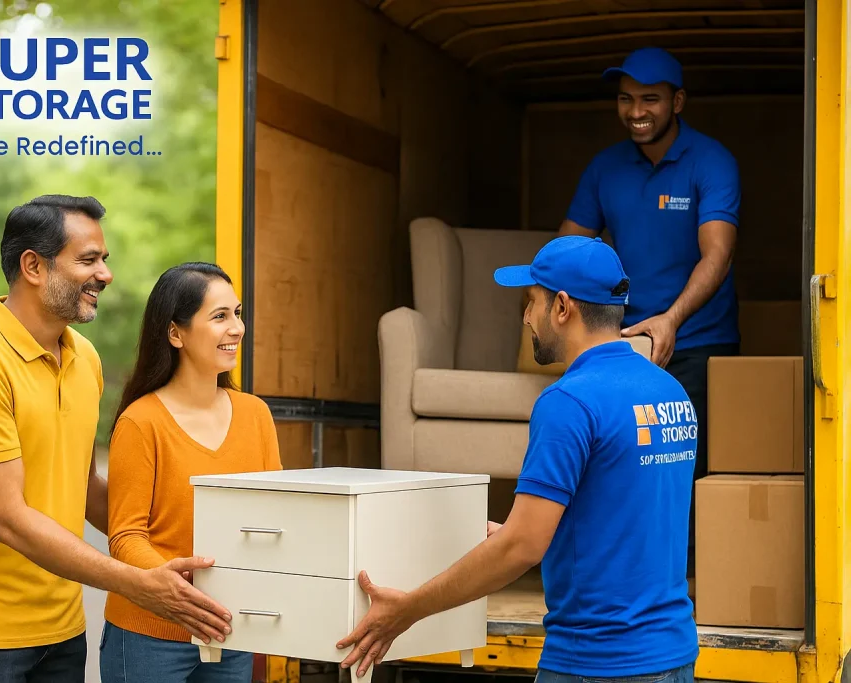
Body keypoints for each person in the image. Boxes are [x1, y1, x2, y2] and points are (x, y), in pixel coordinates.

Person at [336, 236, 699, 682]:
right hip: (674, 655)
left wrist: (407, 610)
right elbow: (625, 510)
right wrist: (530, 528)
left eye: (531, 301)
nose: (526, 316)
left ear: (562, 308)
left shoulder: (569, 401)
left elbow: (521, 548)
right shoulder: (670, 392)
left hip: (598, 664)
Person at [0, 196, 232, 683]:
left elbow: (82, 484)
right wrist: (138, 583)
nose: (105, 274)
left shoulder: (84, 358)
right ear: (33, 266)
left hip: (61, 630)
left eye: (104, 260)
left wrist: (168, 564)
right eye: (88, 260)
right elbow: (7, 519)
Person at [559, 47, 741, 574]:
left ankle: (678, 593)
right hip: (621, 345)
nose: (636, 110)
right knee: (618, 463)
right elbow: (567, 249)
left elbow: (718, 254)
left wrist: (672, 319)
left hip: (700, 341)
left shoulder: (711, 162)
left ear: (677, 101)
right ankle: (618, 577)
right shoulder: (605, 168)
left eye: (650, 99)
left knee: (683, 472)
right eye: (625, 98)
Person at [99, 262, 283, 683]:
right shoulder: (141, 422)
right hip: (149, 634)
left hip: (229, 628)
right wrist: (181, 590)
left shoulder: (255, 415)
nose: (236, 328)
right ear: (175, 333)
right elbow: (125, 536)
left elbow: (276, 520)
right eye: (219, 317)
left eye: (237, 313)